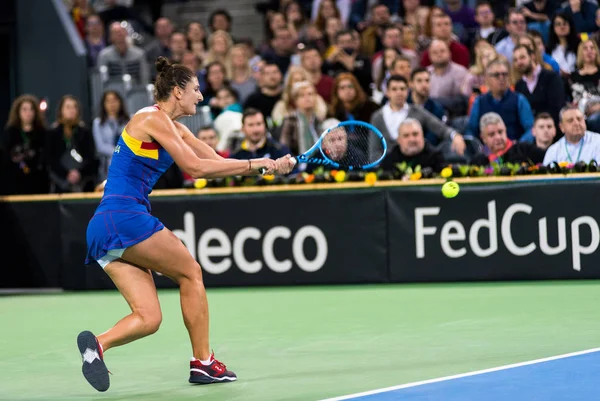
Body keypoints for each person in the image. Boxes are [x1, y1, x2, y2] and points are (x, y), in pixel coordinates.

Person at [77, 56, 295, 392]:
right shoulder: (151, 117)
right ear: (177, 91)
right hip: (124, 216)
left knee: (149, 318)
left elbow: (213, 159)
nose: (201, 97)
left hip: (104, 227)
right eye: (196, 89)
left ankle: (98, 346)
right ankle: (203, 362)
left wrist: (267, 165)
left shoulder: (174, 128)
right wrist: (254, 163)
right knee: (190, 272)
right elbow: (196, 168)